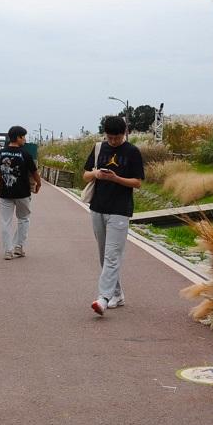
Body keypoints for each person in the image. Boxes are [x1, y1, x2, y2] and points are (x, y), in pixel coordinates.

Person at [83, 116, 144, 315]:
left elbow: (137, 182)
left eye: (117, 138)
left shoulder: (132, 152)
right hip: (98, 206)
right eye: (110, 138)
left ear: (124, 133)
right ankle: (117, 294)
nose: (113, 141)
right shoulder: (99, 148)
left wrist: (116, 178)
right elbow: (85, 174)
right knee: (104, 255)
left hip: (120, 209)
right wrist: (96, 175)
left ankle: (103, 298)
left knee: (111, 256)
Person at [0, 125, 41, 260]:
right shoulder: (25, 154)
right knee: (23, 219)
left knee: (5, 221)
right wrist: (39, 183)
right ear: (18, 137)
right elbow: (34, 172)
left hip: (4, 193)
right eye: (23, 136)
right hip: (22, 193)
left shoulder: (0, 153)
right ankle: (18, 247)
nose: (25, 139)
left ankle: (8, 250)